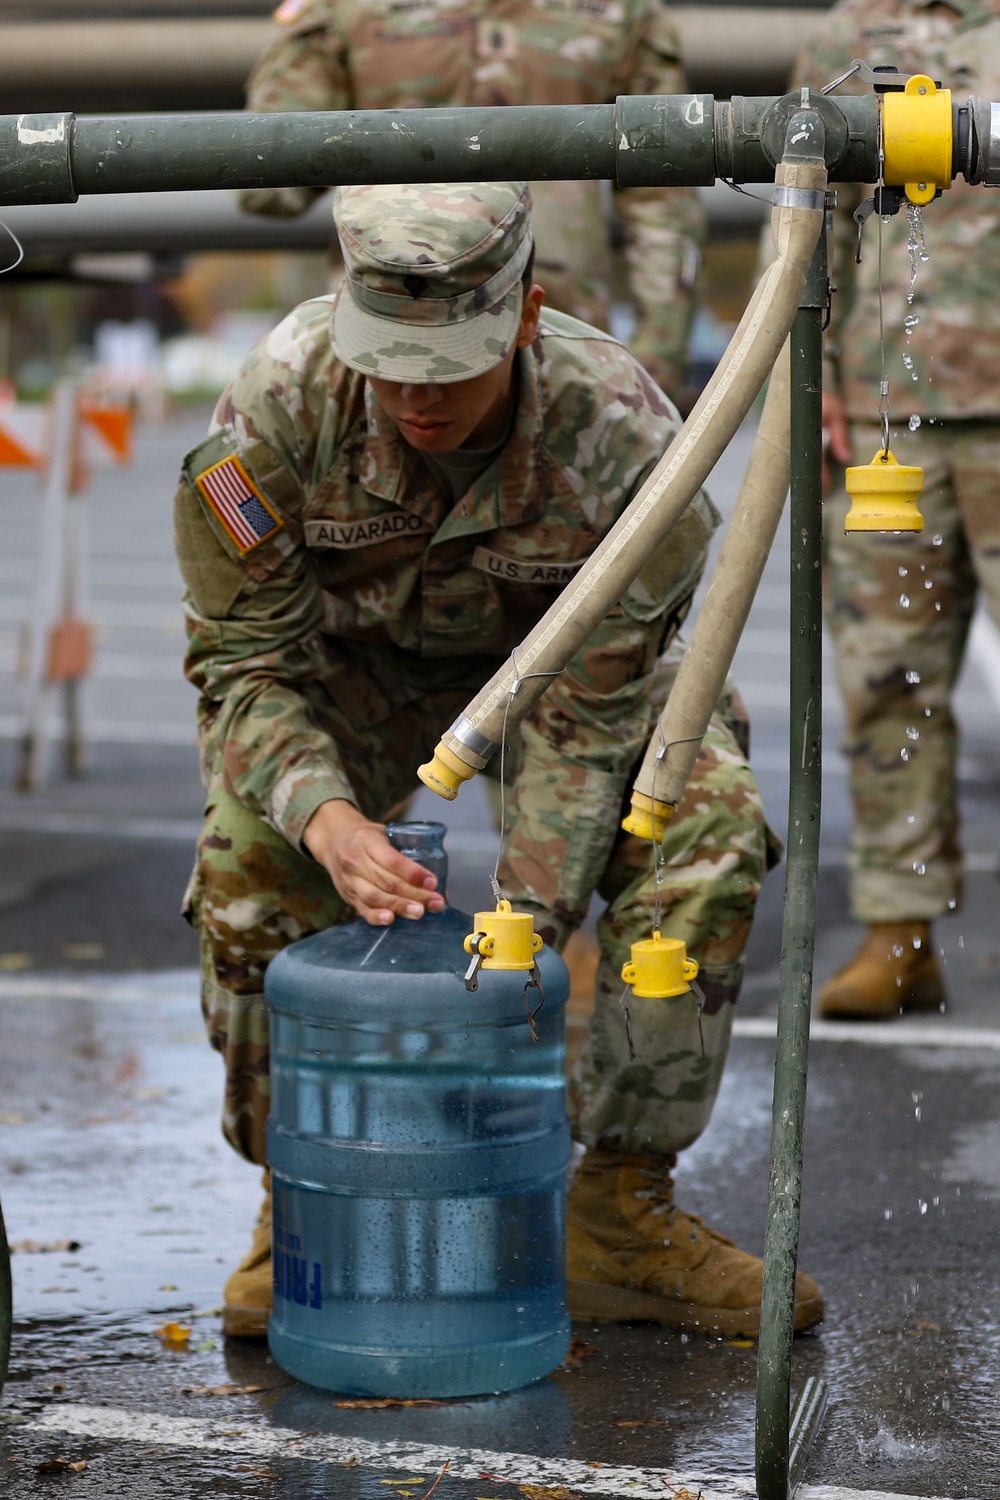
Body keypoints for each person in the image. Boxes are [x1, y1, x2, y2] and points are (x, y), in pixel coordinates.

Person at [175, 179, 823, 1340]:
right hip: (351, 681)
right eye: (389, 363)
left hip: (562, 685)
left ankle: (618, 1209)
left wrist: (518, 936)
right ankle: (302, 1198)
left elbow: (589, 708)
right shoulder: (276, 408)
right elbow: (244, 668)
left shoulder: (624, 433)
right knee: (246, 850)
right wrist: (325, 817)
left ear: (524, 318)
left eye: (449, 367)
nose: (415, 399)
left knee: (703, 823)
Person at [792, 0, 1000, 1020]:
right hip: (890, 414)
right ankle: (898, 931)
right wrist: (818, 362)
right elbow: (811, 213)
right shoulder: (847, 36)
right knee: (884, 675)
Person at [236, 0, 705, 406]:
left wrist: (655, 360)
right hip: (389, 334)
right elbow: (266, 184)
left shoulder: (623, 11)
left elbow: (664, 196)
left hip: (555, 338)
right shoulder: (346, 9)